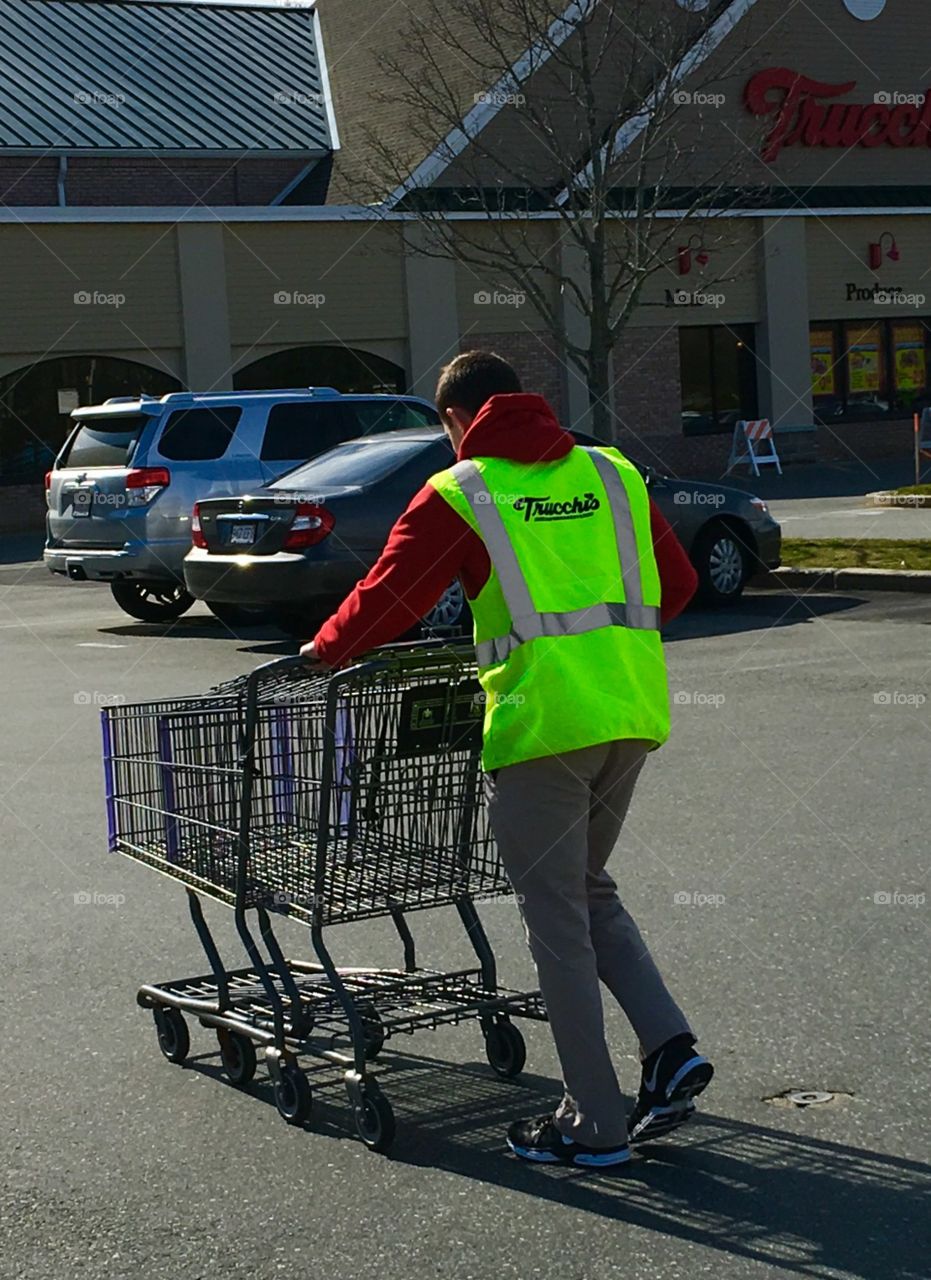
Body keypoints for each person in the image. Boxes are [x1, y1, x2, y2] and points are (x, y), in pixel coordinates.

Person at [301, 350, 713, 1167]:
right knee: (587, 891)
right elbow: (677, 585)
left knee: (555, 920)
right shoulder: (610, 470)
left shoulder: (464, 490)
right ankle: (669, 1051)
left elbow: (391, 596)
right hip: (629, 712)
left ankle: (592, 1125)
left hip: (542, 730)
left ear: (455, 419)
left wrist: (322, 651)